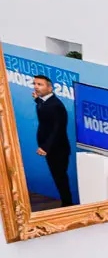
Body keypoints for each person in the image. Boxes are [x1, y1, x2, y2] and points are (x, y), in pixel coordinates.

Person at [32, 75, 73, 207]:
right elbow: (43, 108)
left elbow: (58, 128)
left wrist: (45, 147)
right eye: (35, 84)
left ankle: (68, 205)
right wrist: (37, 100)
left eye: (40, 85)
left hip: (58, 150)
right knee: (58, 177)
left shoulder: (55, 105)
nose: (36, 87)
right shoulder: (44, 101)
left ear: (50, 88)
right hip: (52, 149)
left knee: (60, 178)